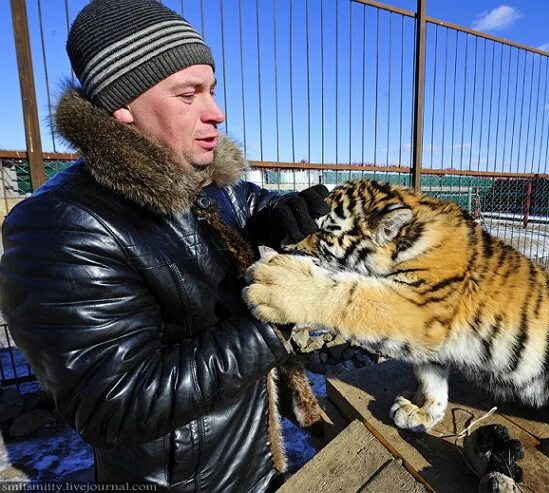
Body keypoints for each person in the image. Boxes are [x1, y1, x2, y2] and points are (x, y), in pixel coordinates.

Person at [0, 1, 329, 491]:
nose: (216, 112)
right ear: (123, 107)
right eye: (188, 94)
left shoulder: (206, 178)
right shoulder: (59, 227)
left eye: (212, 90)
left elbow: (251, 204)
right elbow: (114, 404)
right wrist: (271, 324)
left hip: (254, 457)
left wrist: (283, 214)